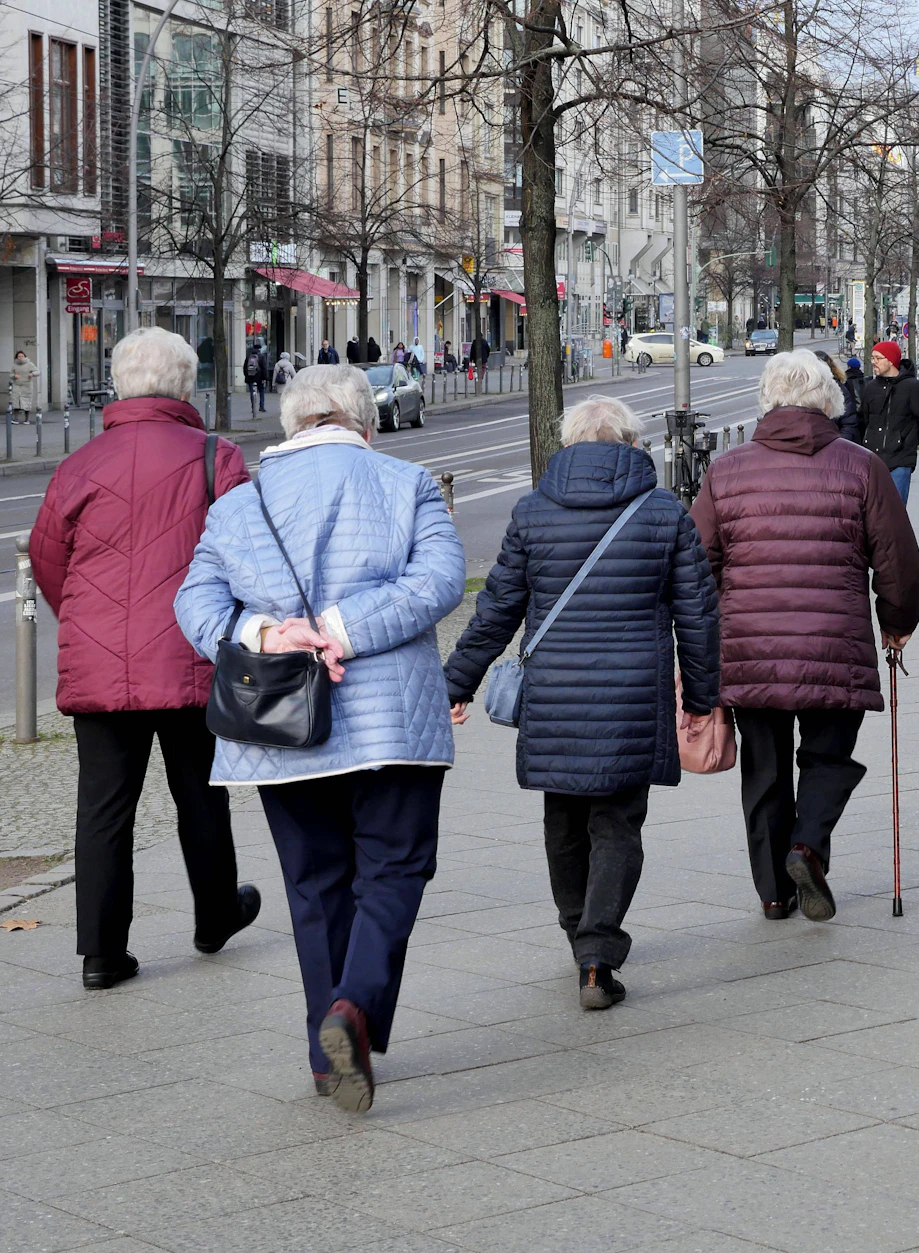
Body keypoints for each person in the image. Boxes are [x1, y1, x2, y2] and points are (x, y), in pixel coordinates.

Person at [175, 363, 465, 1113]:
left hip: (278, 728)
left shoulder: (238, 505)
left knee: (315, 885)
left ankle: (325, 1054)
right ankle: (355, 1008)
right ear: (364, 422)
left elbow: (194, 602)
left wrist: (267, 631)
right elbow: (439, 582)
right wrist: (339, 629)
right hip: (391, 721)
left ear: (291, 423)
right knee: (396, 868)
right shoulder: (408, 485)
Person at [444, 397, 719, 1009]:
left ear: (569, 444)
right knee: (618, 821)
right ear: (631, 444)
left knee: (563, 819)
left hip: (555, 698)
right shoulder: (662, 513)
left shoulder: (533, 511)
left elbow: (496, 611)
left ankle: (578, 933)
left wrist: (455, 682)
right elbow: (699, 616)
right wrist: (702, 696)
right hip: (631, 697)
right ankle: (597, 955)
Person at [29, 327, 260, 991]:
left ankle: (102, 953)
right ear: (188, 385)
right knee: (201, 795)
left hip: (99, 667)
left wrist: (89, 624)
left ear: (120, 385)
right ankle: (215, 915)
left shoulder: (79, 465)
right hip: (192, 656)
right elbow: (248, 558)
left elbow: (50, 560)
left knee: (103, 809)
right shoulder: (216, 456)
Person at [690, 351, 919, 922]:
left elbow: (698, 565)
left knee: (764, 771)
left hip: (750, 650)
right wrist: (896, 623)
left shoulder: (727, 470)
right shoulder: (861, 466)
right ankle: (807, 846)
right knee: (828, 759)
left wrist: (703, 638)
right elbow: (898, 559)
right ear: (829, 400)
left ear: (767, 399)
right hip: (833, 646)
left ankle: (774, 892)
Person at [857, 340, 919, 503]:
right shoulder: (870, 388)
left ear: (890, 360)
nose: (873, 362)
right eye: (872, 358)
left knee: (896, 512)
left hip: (900, 460)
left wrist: (907, 441)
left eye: (878, 358)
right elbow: (863, 420)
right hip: (872, 459)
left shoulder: (912, 387)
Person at [814, 350, 861, 442]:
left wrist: (838, 445)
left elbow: (849, 422)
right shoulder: (802, 390)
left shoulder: (838, 389)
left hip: (833, 443)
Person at [10, 349, 37, 423]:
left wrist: (32, 374)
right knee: (16, 402)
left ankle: (27, 419)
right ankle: (15, 419)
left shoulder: (29, 364)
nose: (20, 357)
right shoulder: (14, 364)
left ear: (25, 356)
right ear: (17, 357)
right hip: (17, 386)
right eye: (19, 356)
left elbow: (37, 371)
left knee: (26, 403)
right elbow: (11, 375)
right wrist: (14, 376)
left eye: (22, 356)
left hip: (26, 386)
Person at [243, 342, 269, 413]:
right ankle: (261, 406)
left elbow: (245, 367)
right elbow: (264, 368)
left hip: (250, 377)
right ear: (259, 349)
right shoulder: (261, 356)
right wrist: (264, 378)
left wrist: (247, 376)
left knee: (252, 392)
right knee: (261, 391)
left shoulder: (249, 356)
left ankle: (253, 407)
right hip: (259, 377)